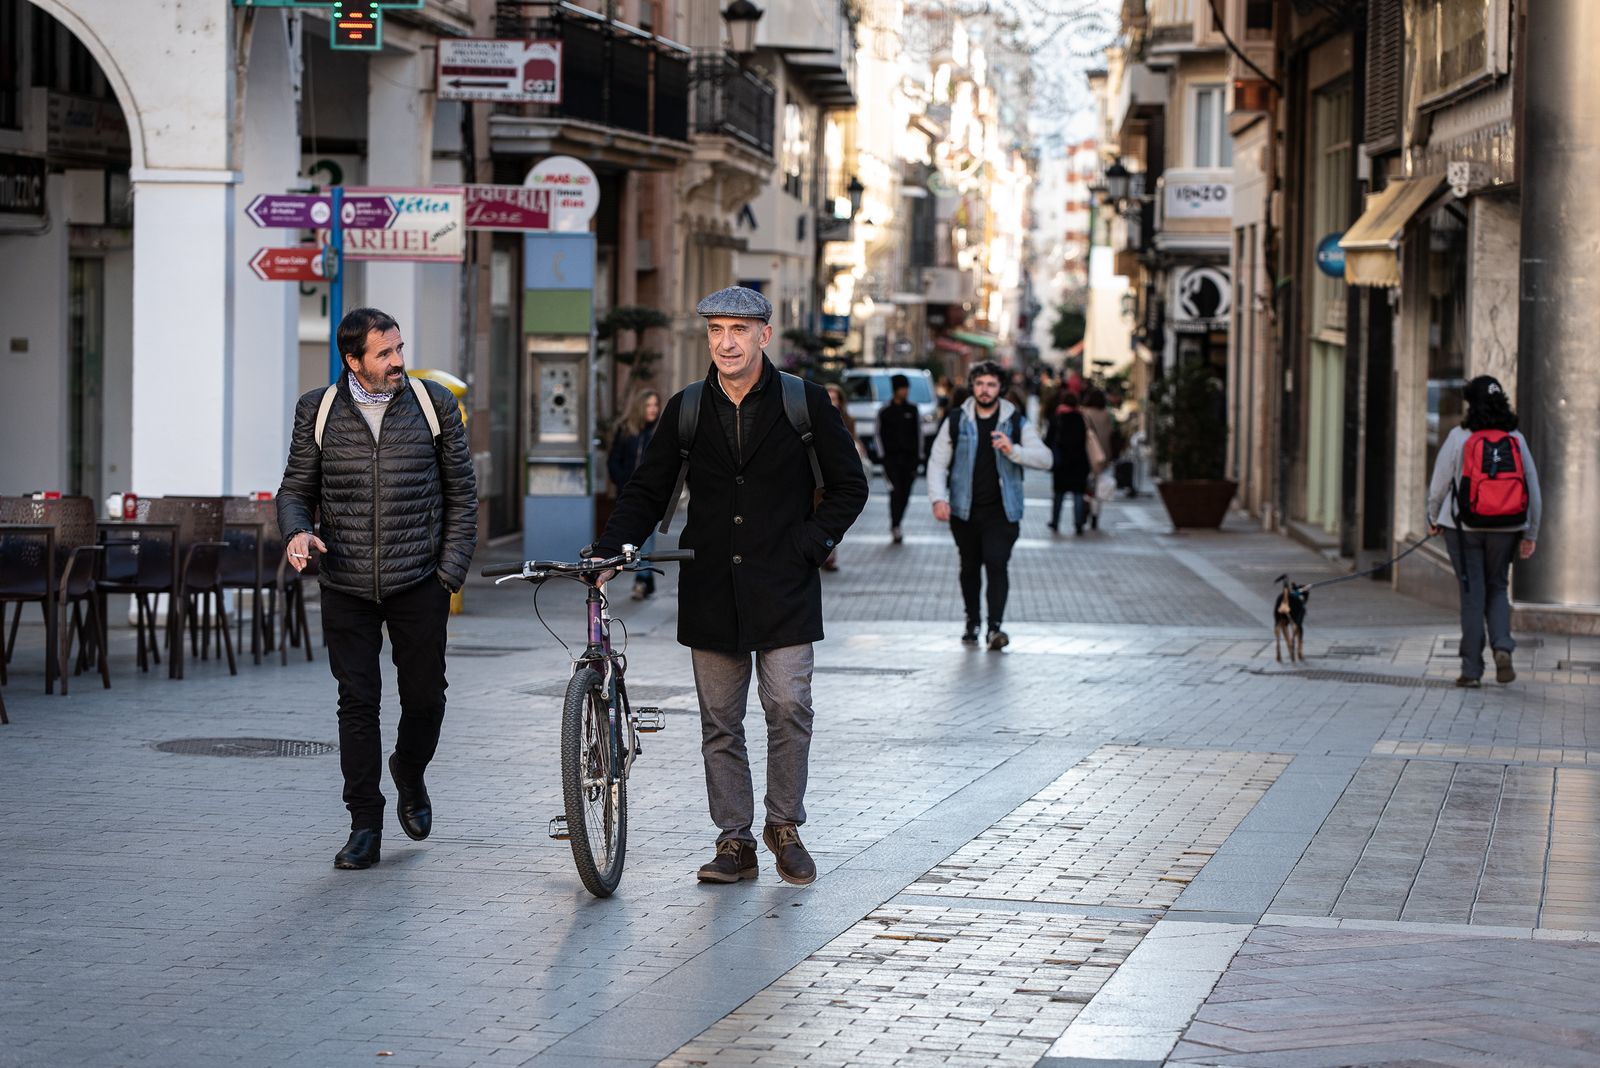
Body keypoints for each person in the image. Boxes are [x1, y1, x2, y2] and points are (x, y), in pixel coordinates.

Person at [591, 286, 868, 887]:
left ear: (765, 336)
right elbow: (647, 487)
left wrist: (810, 544)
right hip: (712, 584)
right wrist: (613, 547)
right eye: (716, 330)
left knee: (789, 708)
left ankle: (785, 828)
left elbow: (851, 486)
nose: (726, 342)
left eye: (739, 330)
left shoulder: (805, 402)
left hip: (785, 584)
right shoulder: (687, 407)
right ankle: (734, 841)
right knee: (720, 721)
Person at [277, 307, 478, 870]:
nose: (398, 362)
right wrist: (296, 531)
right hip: (344, 582)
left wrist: (448, 576)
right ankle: (364, 823)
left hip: (419, 580)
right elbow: (295, 488)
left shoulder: (433, 407)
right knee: (357, 703)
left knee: (425, 698)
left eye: (399, 349)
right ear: (353, 361)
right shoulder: (316, 411)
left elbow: (463, 496)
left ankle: (409, 771)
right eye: (384, 353)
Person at [926, 360, 1052, 651]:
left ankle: (995, 627)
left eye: (991, 385)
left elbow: (1046, 459)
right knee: (969, 567)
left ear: (1001, 389)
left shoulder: (1016, 422)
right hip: (964, 510)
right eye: (980, 384)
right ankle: (973, 621)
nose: (985, 390)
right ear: (972, 386)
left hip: (1002, 512)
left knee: (996, 563)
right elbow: (937, 462)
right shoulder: (957, 420)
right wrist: (937, 498)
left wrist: (1014, 450)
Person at [1426, 375, 1541, 688]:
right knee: (1497, 587)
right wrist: (1530, 533)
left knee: (1472, 594)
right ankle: (1502, 646)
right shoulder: (1515, 437)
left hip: (1464, 528)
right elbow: (1532, 488)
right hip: (1507, 526)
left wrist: (1433, 517)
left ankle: (1471, 669)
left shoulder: (1459, 437)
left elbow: (1439, 485)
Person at [607, 390, 661, 600]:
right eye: (648, 406)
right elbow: (613, 461)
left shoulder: (659, 432)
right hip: (628, 496)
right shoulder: (626, 431)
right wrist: (623, 482)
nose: (653, 410)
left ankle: (641, 580)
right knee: (634, 542)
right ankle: (647, 581)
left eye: (655, 405)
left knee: (647, 540)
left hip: (652, 497)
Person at [874, 373, 923, 544]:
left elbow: (919, 434)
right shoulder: (885, 411)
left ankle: (898, 522)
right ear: (896, 389)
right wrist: (882, 457)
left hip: (909, 460)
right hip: (891, 460)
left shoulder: (913, 410)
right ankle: (895, 525)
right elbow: (878, 434)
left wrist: (919, 457)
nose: (905, 391)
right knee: (895, 492)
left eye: (906, 388)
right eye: (902, 388)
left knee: (906, 493)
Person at [1043, 391, 1091, 535]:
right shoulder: (1081, 419)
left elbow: (1048, 441)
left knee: (1058, 494)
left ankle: (1055, 521)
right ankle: (1078, 524)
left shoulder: (1056, 418)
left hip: (1061, 463)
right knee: (1078, 494)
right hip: (1079, 462)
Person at [1080, 387, 1117, 530]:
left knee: (1087, 484)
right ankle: (1095, 515)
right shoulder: (1107, 414)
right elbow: (1111, 433)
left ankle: (1085, 508)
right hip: (1104, 453)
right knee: (1098, 484)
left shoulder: (1085, 413)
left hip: (1089, 452)